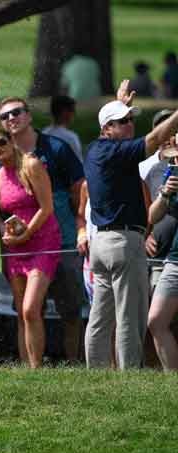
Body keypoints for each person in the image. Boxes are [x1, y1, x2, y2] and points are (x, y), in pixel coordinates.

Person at [85, 81, 178, 368]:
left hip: (101, 245)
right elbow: (157, 137)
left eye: (130, 120)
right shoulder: (116, 151)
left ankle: (96, 374)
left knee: (101, 316)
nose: (130, 126)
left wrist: (120, 104)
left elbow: (139, 143)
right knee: (131, 315)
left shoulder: (97, 149)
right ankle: (129, 378)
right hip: (123, 243)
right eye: (122, 122)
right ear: (107, 129)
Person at [0, 96, 86, 363]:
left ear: (29, 116)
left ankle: (75, 365)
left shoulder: (56, 147)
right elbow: (1, 206)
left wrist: (80, 225)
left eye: (17, 112)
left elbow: (79, 188)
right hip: (22, 249)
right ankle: (32, 372)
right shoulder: (2, 156)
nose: (12, 118)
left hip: (63, 241)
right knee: (27, 311)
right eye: (5, 116)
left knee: (71, 311)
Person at [0, 127, 59, 368]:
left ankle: (37, 367)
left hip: (42, 241)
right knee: (21, 311)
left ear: (11, 140)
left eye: (1, 142)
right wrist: (6, 234)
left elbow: (47, 207)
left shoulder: (31, 165)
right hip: (16, 246)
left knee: (30, 308)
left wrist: (27, 233)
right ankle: (27, 369)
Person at [146, 152, 178, 369]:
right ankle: (171, 384)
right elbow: (152, 217)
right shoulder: (169, 173)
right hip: (174, 260)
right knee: (156, 320)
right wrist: (165, 193)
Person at [42, 95, 83, 161]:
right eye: (72, 110)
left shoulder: (43, 133)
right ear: (65, 112)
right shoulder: (71, 138)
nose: (74, 114)